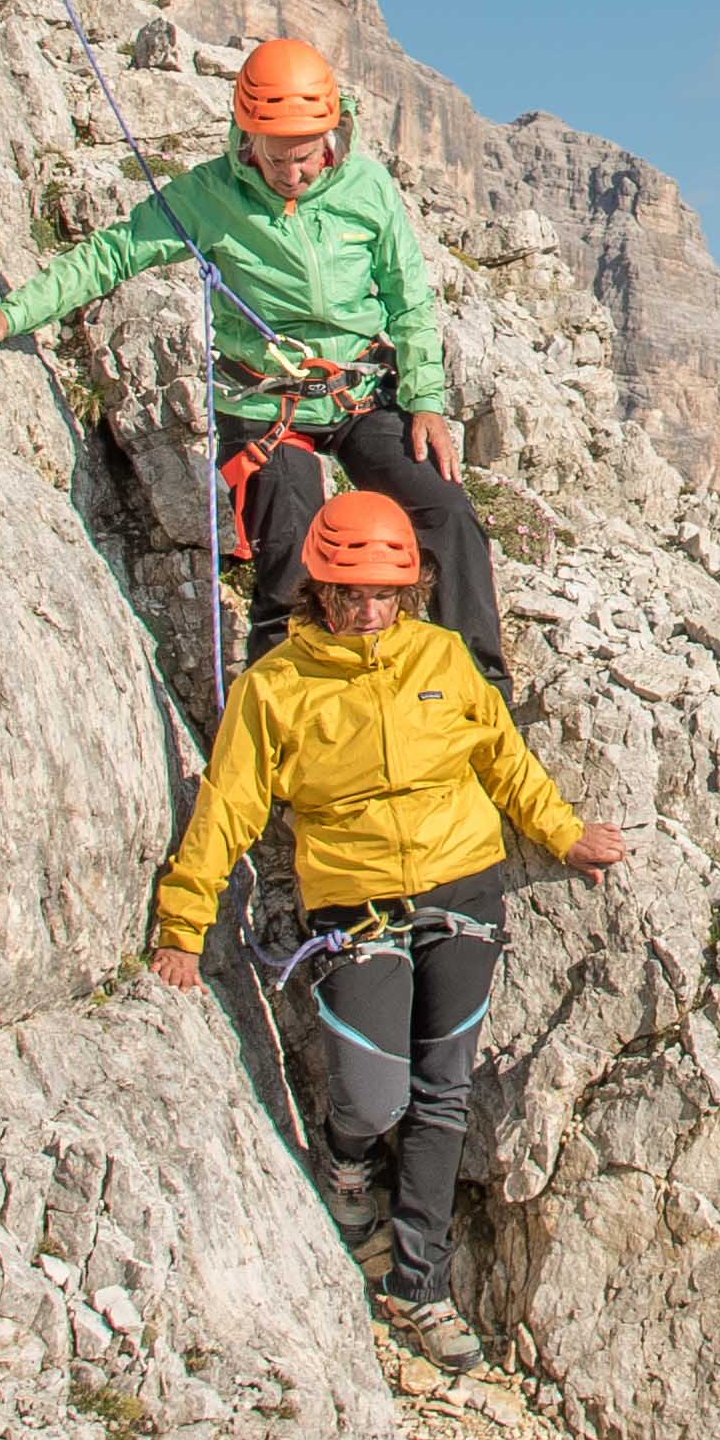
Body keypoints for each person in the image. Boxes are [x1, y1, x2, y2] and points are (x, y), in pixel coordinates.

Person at [149, 486, 627, 1367]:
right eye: (349, 592)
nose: (368, 611)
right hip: (356, 905)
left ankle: (419, 1285)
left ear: (409, 591)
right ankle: (346, 1164)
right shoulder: (277, 688)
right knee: (375, 1100)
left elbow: (504, 760)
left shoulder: (443, 659)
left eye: (384, 594)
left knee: (443, 1097)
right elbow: (229, 808)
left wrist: (562, 832)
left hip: (461, 893)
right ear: (318, 592)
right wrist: (184, 923)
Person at [0, 35, 515, 684]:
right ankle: (279, 750)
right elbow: (116, 252)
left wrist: (425, 402)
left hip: (357, 391)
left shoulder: (367, 188)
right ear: (245, 136)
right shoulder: (210, 195)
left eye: (304, 157)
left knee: (447, 516)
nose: (291, 173)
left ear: (332, 133)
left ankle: (484, 702)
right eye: (275, 157)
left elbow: (409, 297)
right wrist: (17, 312)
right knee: (293, 557)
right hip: (264, 404)